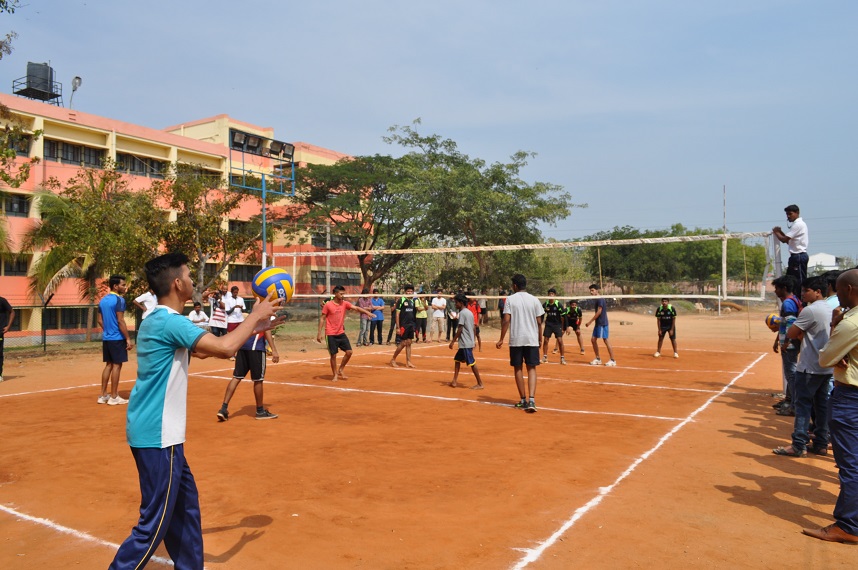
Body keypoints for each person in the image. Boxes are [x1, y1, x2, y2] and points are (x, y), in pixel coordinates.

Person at [110, 252, 284, 569]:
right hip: (157, 436)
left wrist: (257, 326)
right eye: (189, 277)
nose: (194, 282)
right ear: (178, 284)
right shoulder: (168, 321)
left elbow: (207, 353)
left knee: (185, 510)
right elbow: (225, 348)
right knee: (153, 526)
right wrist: (255, 314)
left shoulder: (160, 320)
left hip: (159, 435)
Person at [804, 269, 858, 544]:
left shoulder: (851, 322)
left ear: (849, 289)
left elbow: (825, 358)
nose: (837, 297)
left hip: (851, 396)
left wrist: (836, 326)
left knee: (850, 464)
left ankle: (848, 526)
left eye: (838, 291)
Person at [773, 276, 833, 458]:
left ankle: (799, 444)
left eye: (806, 291)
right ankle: (821, 443)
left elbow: (791, 332)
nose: (803, 294)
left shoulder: (810, 311)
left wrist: (801, 332)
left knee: (803, 405)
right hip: (827, 367)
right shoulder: (832, 309)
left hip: (809, 366)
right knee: (822, 406)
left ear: (818, 292)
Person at [496, 274, 544, 413]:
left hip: (516, 339)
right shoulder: (535, 300)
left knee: (518, 368)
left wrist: (501, 339)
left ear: (515, 286)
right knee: (532, 368)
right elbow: (539, 322)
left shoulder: (510, 300)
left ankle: (523, 399)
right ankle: (532, 400)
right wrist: (539, 339)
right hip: (531, 339)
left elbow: (506, 320)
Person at [217, 328, 281, 421]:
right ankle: (260, 411)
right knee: (258, 380)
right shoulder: (264, 315)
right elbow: (267, 331)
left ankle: (223, 408)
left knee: (236, 377)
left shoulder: (251, 315)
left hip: (242, 347)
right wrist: (274, 350)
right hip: (256, 349)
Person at [316, 285, 375, 381]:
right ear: (335, 294)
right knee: (333, 355)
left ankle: (341, 369)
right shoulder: (328, 305)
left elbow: (356, 308)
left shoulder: (345, 303)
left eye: (344, 294)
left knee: (349, 352)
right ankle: (335, 374)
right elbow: (322, 318)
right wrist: (319, 333)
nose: (343, 296)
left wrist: (368, 313)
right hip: (330, 333)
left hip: (341, 332)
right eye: (341, 294)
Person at [97, 275, 132, 406]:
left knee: (108, 365)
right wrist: (127, 338)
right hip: (117, 338)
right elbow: (120, 320)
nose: (125, 287)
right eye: (123, 285)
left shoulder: (103, 300)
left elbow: (100, 320)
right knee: (117, 365)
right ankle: (114, 396)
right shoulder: (119, 300)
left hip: (107, 338)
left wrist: (108, 331)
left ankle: (103, 395)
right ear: (115, 286)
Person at [772, 275, 801, 416]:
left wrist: (787, 342)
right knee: (791, 374)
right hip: (788, 342)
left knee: (791, 374)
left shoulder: (788, 304)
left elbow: (791, 323)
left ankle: (795, 405)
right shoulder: (793, 300)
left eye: (777, 288)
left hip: (789, 345)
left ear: (784, 288)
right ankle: (790, 401)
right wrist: (777, 339)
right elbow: (784, 324)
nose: (775, 291)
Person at [448, 293, 483, 389]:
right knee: (457, 360)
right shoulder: (469, 312)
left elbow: (460, 328)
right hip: (467, 342)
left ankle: (480, 383)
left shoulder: (463, 313)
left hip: (466, 343)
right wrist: (474, 340)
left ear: (460, 303)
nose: (455, 304)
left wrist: (452, 341)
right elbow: (474, 327)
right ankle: (454, 381)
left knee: (472, 363)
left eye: (456, 302)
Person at [772, 204, 809, 296]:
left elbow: (784, 239)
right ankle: (793, 299)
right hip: (794, 257)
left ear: (797, 213)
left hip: (799, 256)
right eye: (787, 214)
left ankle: (801, 302)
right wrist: (780, 232)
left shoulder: (798, 225)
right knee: (790, 280)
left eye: (790, 214)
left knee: (799, 281)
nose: (788, 216)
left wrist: (776, 232)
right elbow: (789, 241)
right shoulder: (795, 225)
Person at [585, 284, 617, 366]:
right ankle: (598, 358)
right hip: (598, 323)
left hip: (602, 323)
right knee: (593, 340)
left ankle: (612, 360)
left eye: (592, 290)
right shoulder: (596, 299)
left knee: (606, 340)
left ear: (597, 290)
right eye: (590, 291)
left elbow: (599, 311)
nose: (591, 292)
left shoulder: (600, 299)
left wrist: (590, 321)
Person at [390, 284, 417, 368]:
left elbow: (413, 314)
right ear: (405, 292)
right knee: (403, 343)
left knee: (409, 342)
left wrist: (414, 326)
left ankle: (408, 361)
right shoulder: (401, 300)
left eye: (411, 291)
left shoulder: (413, 301)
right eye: (408, 291)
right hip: (403, 325)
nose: (409, 293)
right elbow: (397, 314)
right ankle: (393, 359)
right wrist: (398, 327)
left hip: (411, 324)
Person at [541, 288, 567, 365]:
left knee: (560, 340)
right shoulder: (545, 304)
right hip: (548, 324)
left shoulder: (558, 304)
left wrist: (565, 327)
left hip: (557, 324)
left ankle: (562, 358)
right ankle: (545, 357)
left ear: (555, 295)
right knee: (545, 340)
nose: (551, 295)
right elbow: (542, 314)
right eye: (550, 294)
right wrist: (540, 323)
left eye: (552, 294)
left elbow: (564, 316)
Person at [0, 295, 15, 382]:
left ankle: (0, 374)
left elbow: (12, 312)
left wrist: (8, 326)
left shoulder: (2, 301)